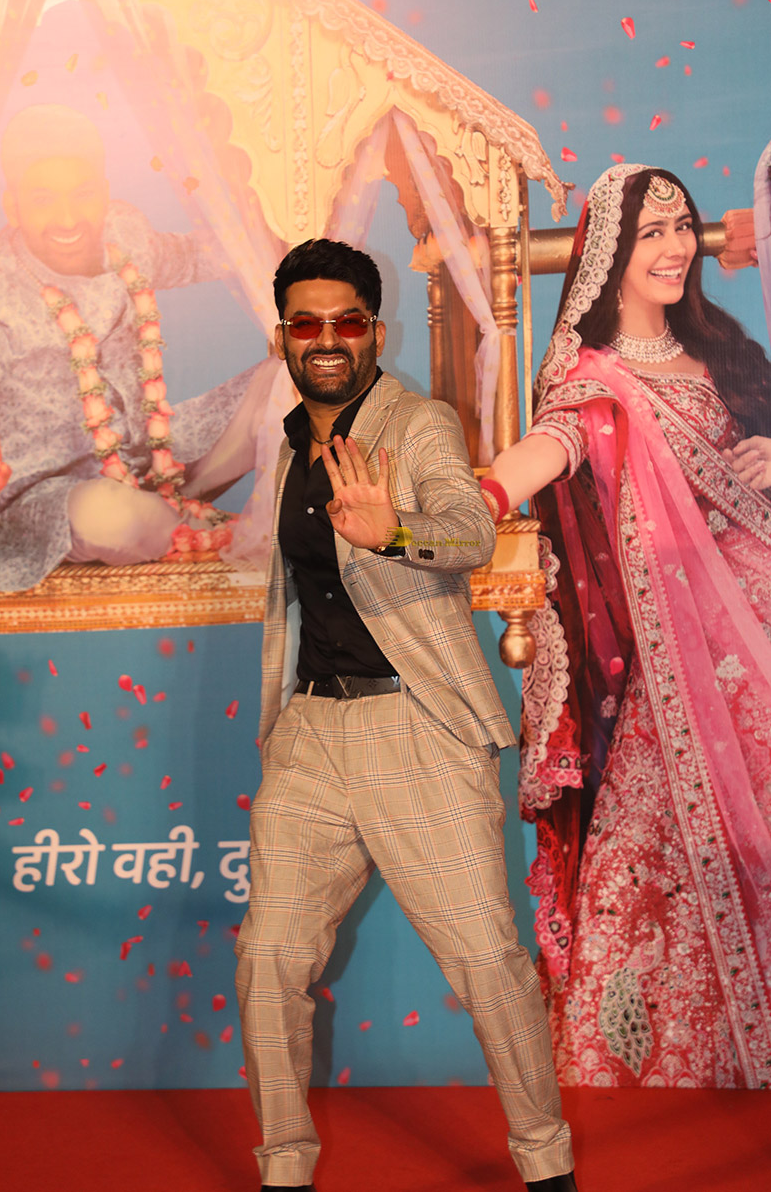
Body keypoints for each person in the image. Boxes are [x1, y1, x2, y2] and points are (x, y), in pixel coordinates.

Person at [234, 239, 578, 1192]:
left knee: (487, 964)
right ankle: (284, 1169)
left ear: (375, 333)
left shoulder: (418, 423)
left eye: (347, 320)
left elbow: (468, 532)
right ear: (283, 338)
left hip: (416, 726)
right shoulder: (291, 443)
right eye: (307, 323)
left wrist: (391, 529)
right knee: (268, 960)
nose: (328, 338)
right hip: (311, 734)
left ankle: (546, 1163)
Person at [488, 163, 771, 1088]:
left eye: (684, 227)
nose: (677, 247)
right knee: (663, 870)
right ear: (610, 252)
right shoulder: (593, 384)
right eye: (652, 231)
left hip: (762, 626)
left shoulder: (727, 354)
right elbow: (542, 453)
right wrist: (458, 507)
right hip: (686, 672)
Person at [0, 104, 277, 592]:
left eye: (83, 193)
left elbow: (190, 256)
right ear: (13, 207)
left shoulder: (125, 234)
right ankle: (175, 519)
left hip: (157, 457)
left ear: (106, 194)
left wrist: (282, 239)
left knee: (291, 379)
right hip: (51, 499)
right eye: (43, 199)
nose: (67, 217)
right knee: (110, 518)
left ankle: (174, 509)